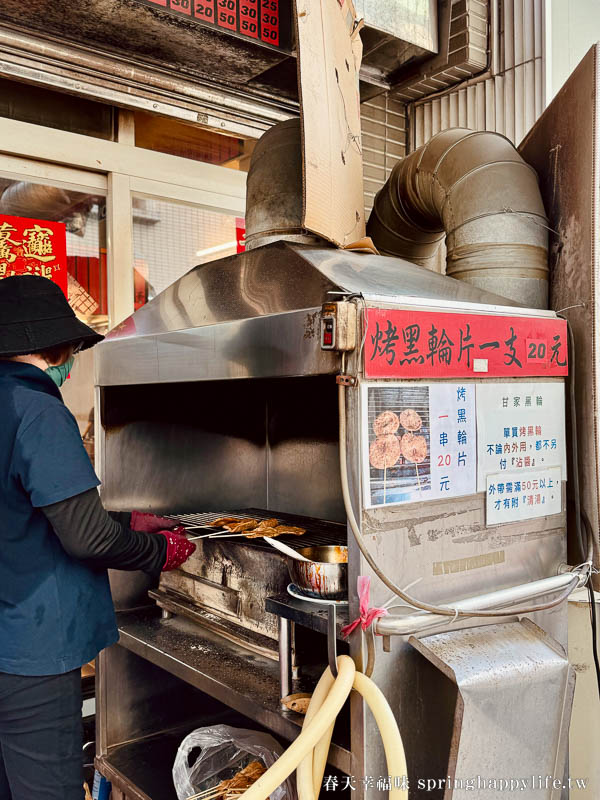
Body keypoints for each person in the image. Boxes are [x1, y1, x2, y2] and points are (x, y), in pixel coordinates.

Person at [0, 275, 196, 800]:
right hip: (33, 651)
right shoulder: (37, 411)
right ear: (56, 346)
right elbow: (85, 538)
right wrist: (160, 551)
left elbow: (25, 504)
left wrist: (128, 520)